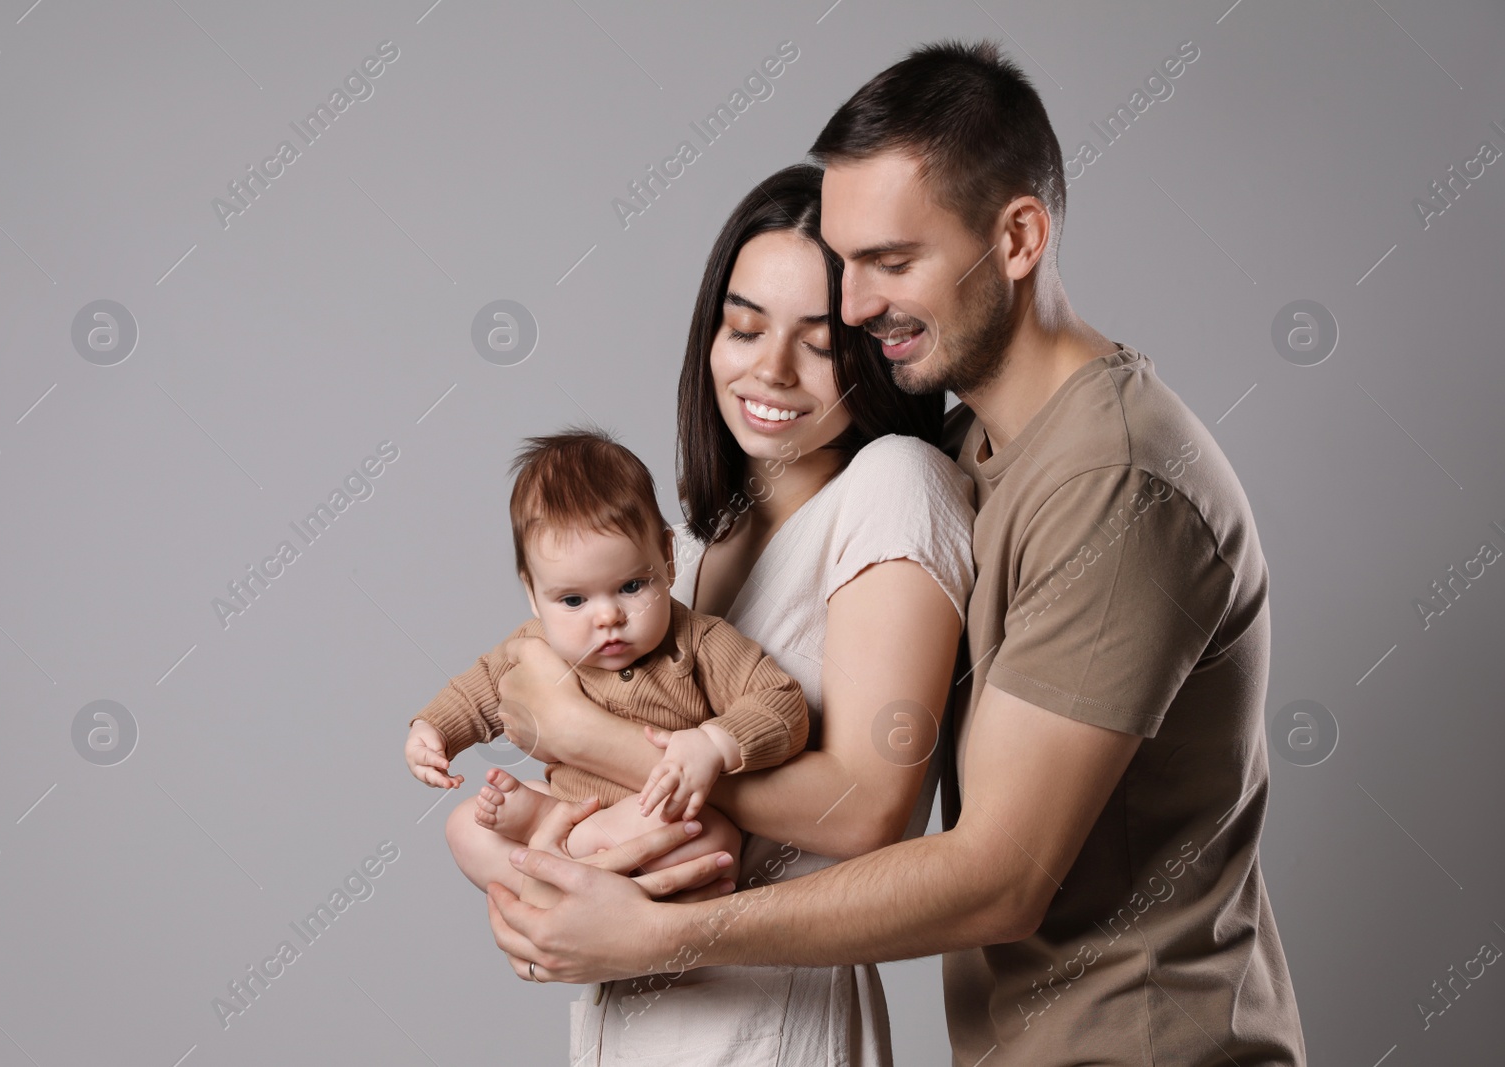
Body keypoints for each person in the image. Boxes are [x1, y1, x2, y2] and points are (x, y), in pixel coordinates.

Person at [485, 39, 1308, 1067]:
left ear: (1016, 237)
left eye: (889, 261)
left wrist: (663, 925)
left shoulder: (1116, 484)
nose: (859, 303)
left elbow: (998, 872)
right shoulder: (979, 452)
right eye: (850, 261)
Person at [485, 162, 977, 1065]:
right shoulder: (693, 545)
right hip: (626, 1022)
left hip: (772, 1027)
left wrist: (578, 729)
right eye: (743, 326)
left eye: (821, 345)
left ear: (876, 351)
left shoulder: (896, 488)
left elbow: (871, 806)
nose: (770, 369)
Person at [404, 429, 812, 897]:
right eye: (574, 599)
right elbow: (477, 690)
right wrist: (432, 730)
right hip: (566, 801)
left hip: (649, 819)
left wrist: (714, 744)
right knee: (463, 826)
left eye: (632, 587)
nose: (609, 617)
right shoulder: (536, 646)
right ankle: (560, 881)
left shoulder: (700, 642)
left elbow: (783, 704)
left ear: (667, 559)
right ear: (533, 595)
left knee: (713, 842)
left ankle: (566, 863)